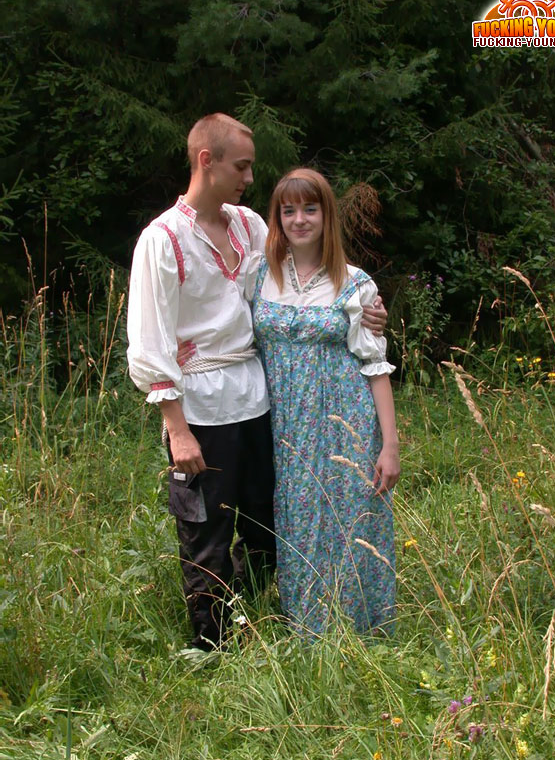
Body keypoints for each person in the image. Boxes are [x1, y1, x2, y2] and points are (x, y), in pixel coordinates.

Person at [127, 114, 387, 651]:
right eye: (242, 166)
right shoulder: (163, 239)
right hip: (201, 406)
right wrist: (176, 428)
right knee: (207, 529)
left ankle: (265, 616)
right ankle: (212, 645)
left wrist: (367, 309)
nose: (250, 177)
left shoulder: (247, 225)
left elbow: (307, 271)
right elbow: (150, 340)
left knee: (267, 521)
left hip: (261, 398)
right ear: (208, 161)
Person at [248, 168, 399, 637]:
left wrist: (390, 445)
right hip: (283, 425)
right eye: (288, 210)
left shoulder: (354, 284)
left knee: (351, 517)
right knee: (296, 519)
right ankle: (308, 630)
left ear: (326, 215)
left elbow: (376, 366)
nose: (299, 219)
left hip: (344, 420)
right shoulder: (260, 275)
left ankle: (361, 630)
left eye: (310, 209)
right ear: (277, 218)